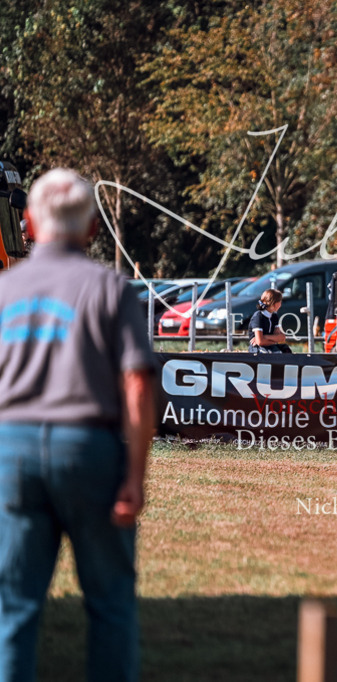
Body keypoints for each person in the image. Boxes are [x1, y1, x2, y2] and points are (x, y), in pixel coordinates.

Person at [0, 169, 155, 681]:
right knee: (110, 604)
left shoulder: (3, 290)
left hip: (13, 450)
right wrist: (135, 477)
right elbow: (136, 388)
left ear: (27, 223)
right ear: (92, 228)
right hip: (88, 448)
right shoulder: (111, 288)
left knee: (14, 610)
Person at [248, 288, 292, 354]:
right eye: (280, 301)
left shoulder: (274, 316)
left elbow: (282, 337)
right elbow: (260, 342)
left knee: (286, 350)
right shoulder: (258, 316)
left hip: (270, 346)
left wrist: (265, 337)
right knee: (275, 354)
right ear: (274, 303)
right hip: (257, 348)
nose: (281, 304)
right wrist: (274, 340)